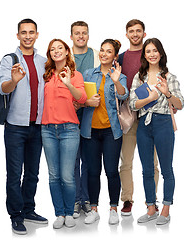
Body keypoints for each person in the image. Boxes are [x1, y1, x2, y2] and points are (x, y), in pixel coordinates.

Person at [0, 19, 48, 235]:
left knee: (33, 173)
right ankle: (16, 215)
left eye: (31, 32)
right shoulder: (9, 60)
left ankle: (29, 209)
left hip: (37, 126)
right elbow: (3, 89)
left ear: (37, 34)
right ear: (17, 35)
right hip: (15, 127)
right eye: (23, 32)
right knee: (14, 173)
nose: (28, 36)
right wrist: (15, 80)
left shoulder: (43, 61)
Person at [129, 38, 184, 225]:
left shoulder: (170, 77)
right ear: (144, 55)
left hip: (163, 123)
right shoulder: (139, 77)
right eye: (148, 51)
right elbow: (132, 104)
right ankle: (151, 208)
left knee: (166, 169)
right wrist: (149, 98)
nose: (152, 54)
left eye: (155, 51)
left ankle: (166, 210)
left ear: (160, 53)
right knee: (146, 169)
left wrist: (167, 93)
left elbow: (180, 104)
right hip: (144, 123)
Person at [80, 39, 129, 225]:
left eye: (109, 51)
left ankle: (113, 208)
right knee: (93, 171)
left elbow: (123, 95)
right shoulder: (88, 74)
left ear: (115, 56)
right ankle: (93, 209)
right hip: (90, 131)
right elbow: (81, 99)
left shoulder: (119, 75)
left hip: (111, 132)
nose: (104, 54)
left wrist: (116, 81)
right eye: (102, 50)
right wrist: (86, 101)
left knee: (111, 171)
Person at [41, 39, 87, 229]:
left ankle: (69, 212)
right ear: (50, 54)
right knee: (53, 176)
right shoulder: (47, 75)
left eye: (60, 48)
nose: (56, 51)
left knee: (67, 175)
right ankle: (59, 213)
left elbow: (82, 98)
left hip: (69, 130)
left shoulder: (75, 75)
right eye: (52, 49)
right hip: (47, 129)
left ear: (67, 51)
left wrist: (68, 83)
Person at [118, 19, 159, 216]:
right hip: (128, 116)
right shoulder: (120, 58)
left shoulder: (151, 55)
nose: (135, 34)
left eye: (138, 31)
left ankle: (152, 200)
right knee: (126, 161)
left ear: (144, 33)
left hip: (150, 116)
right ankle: (127, 199)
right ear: (126, 34)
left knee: (152, 162)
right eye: (131, 31)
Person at [70, 21, 100, 218]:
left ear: (88, 35)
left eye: (84, 33)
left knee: (88, 161)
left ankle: (86, 200)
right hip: (69, 117)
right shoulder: (64, 55)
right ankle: (75, 200)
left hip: (91, 116)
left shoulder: (96, 55)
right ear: (71, 36)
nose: (81, 36)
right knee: (72, 160)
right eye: (77, 33)